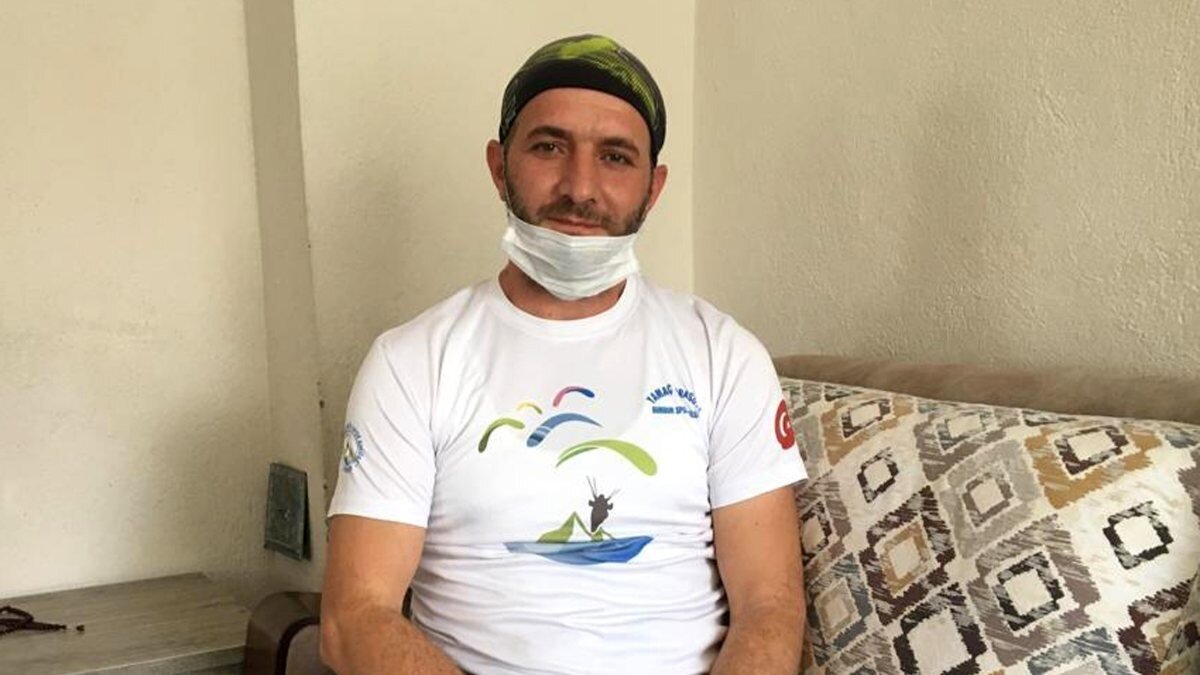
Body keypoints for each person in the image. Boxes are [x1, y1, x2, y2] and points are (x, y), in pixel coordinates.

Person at [320, 34, 807, 675]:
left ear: (653, 187)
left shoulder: (724, 355)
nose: (580, 187)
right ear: (500, 167)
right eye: (549, 147)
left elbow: (770, 607)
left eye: (615, 157)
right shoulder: (411, 363)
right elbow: (354, 617)